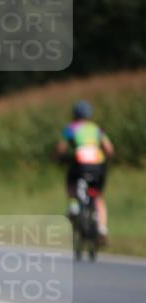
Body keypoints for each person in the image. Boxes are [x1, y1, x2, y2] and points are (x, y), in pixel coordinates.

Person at [56, 100, 114, 243]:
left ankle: (74, 206)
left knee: (71, 182)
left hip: (80, 164)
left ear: (75, 114)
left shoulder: (71, 128)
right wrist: (107, 160)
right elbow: (109, 149)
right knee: (98, 197)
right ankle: (102, 228)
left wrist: (58, 158)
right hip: (98, 165)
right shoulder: (96, 129)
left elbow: (60, 148)